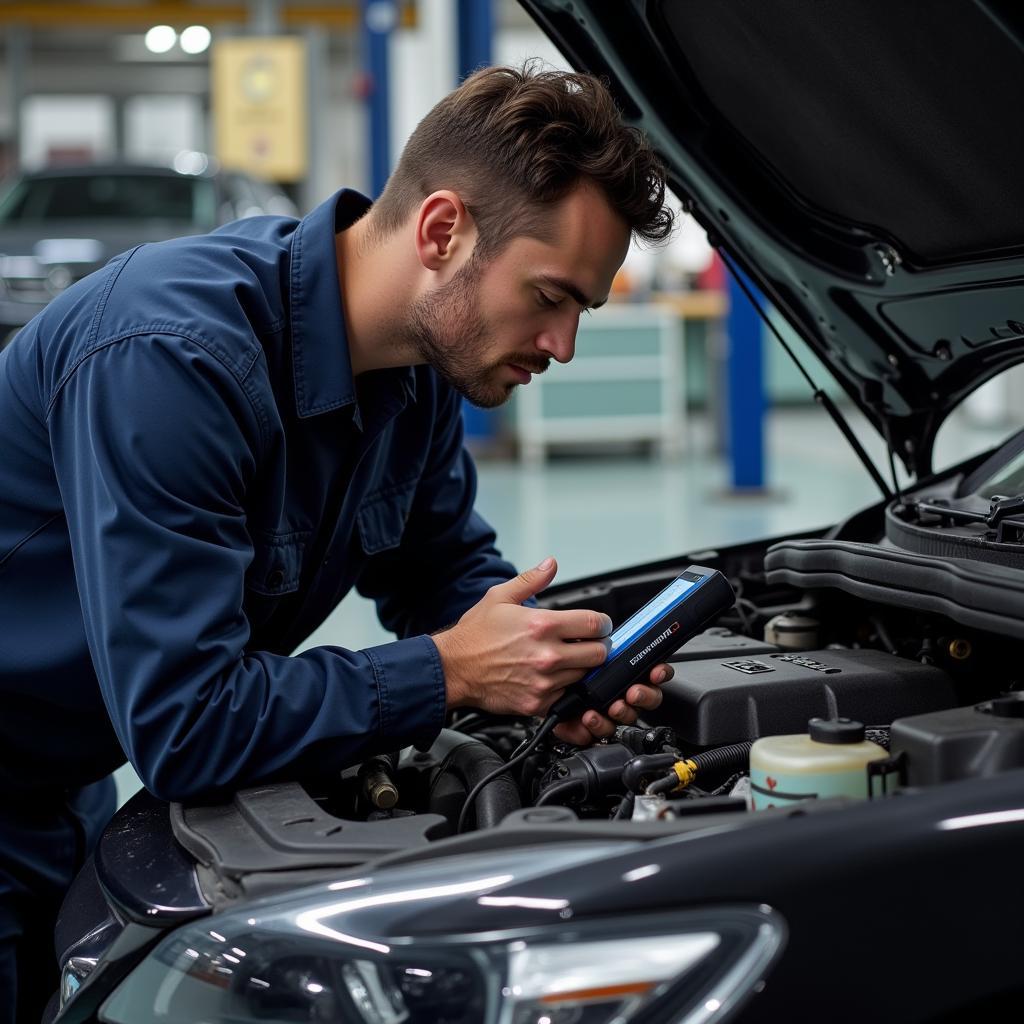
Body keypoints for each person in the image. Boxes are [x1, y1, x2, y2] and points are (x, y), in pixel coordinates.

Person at [0, 64, 675, 1019]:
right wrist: (446, 672)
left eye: (583, 311)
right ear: (443, 231)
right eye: (551, 296)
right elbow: (189, 725)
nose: (563, 345)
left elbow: (441, 567)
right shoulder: (172, 359)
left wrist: (547, 667)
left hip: (57, 772)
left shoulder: (420, 369)